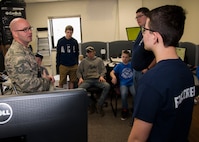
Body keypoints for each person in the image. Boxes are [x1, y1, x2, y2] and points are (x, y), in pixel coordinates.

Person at [128, 5, 195, 142]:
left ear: (155, 37)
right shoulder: (186, 72)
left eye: (145, 30)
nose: (143, 34)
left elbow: (137, 139)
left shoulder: (150, 82)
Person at [5, 18, 54, 93]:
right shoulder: (17, 55)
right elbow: (29, 86)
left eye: (30, 28)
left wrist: (45, 76)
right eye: (25, 30)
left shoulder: (25, 49)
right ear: (15, 33)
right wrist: (46, 80)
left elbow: (33, 70)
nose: (30, 32)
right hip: (25, 100)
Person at [77, 46, 110, 117]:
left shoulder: (99, 60)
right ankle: (91, 103)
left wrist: (101, 76)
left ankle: (99, 104)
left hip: (97, 79)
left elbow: (104, 70)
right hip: (87, 80)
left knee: (107, 86)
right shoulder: (83, 61)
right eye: (88, 52)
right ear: (86, 54)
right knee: (79, 90)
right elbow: (78, 71)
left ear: (94, 52)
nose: (90, 54)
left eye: (91, 52)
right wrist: (80, 78)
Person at [131, 7, 156, 93]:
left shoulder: (152, 33)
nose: (137, 19)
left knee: (144, 95)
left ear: (148, 16)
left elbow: (158, 55)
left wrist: (148, 69)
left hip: (144, 72)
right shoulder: (142, 31)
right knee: (137, 95)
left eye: (140, 16)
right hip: (135, 71)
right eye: (136, 17)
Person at [110, 50, 135, 120]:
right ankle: (125, 109)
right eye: (123, 57)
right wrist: (114, 77)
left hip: (131, 83)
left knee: (135, 93)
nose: (124, 58)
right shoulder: (119, 65)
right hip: (123, 83)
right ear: (121, 57)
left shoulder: (132, 64)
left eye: (126, 57)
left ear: (129, 58)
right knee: (124, 94)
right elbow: (111, 72)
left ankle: (134, 108)